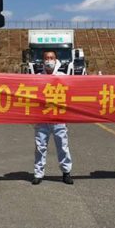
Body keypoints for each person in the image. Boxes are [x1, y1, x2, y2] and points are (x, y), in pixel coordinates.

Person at [32, 50, 73, 185]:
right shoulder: (37, 77)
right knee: (40, 147)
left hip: (58, 119)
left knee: (62, 146)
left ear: (56, 60)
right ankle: (38, 173)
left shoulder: (63, 77)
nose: (49, 60)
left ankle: (66, 172)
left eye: (51, 58)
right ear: (42, 61)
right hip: (42, 119)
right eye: (46, 58)